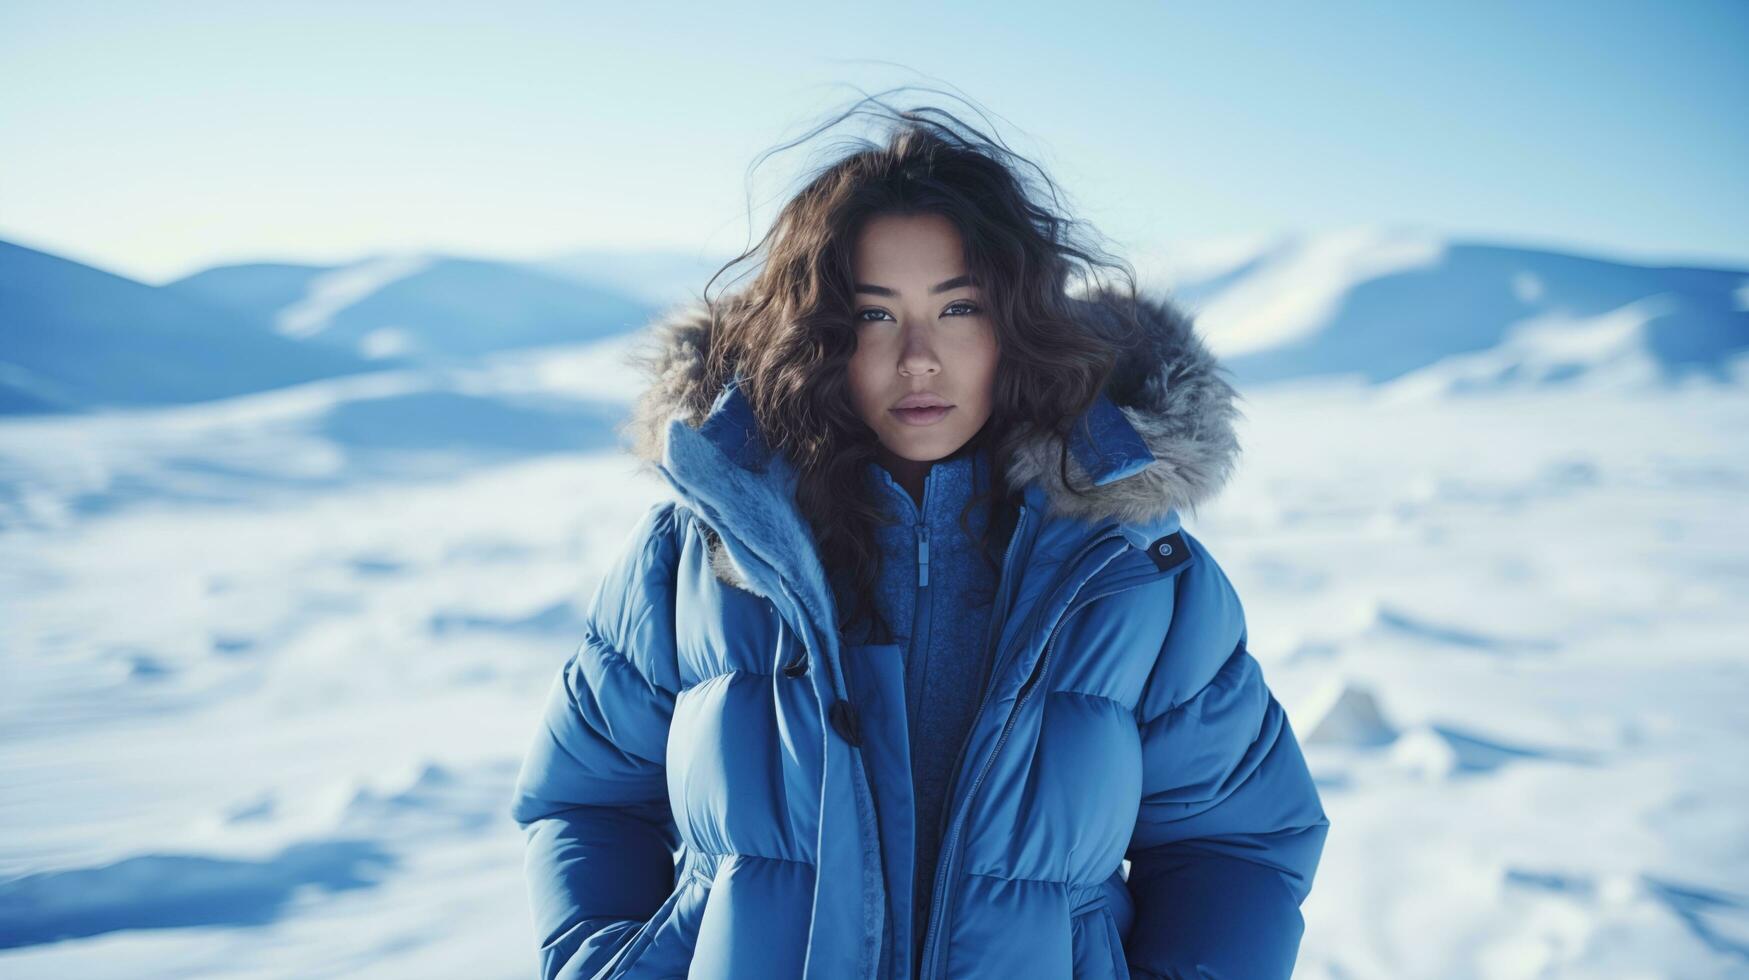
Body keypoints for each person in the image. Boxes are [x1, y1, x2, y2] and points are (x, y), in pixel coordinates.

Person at [508, 96, 1328, 980]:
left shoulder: (1129, 571)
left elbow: (1235, 842)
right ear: (816, 332)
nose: (918, 359)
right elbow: (588, 799)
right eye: (872, 315)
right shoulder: (700, 557)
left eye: (958, 308)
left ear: (1015, 324)